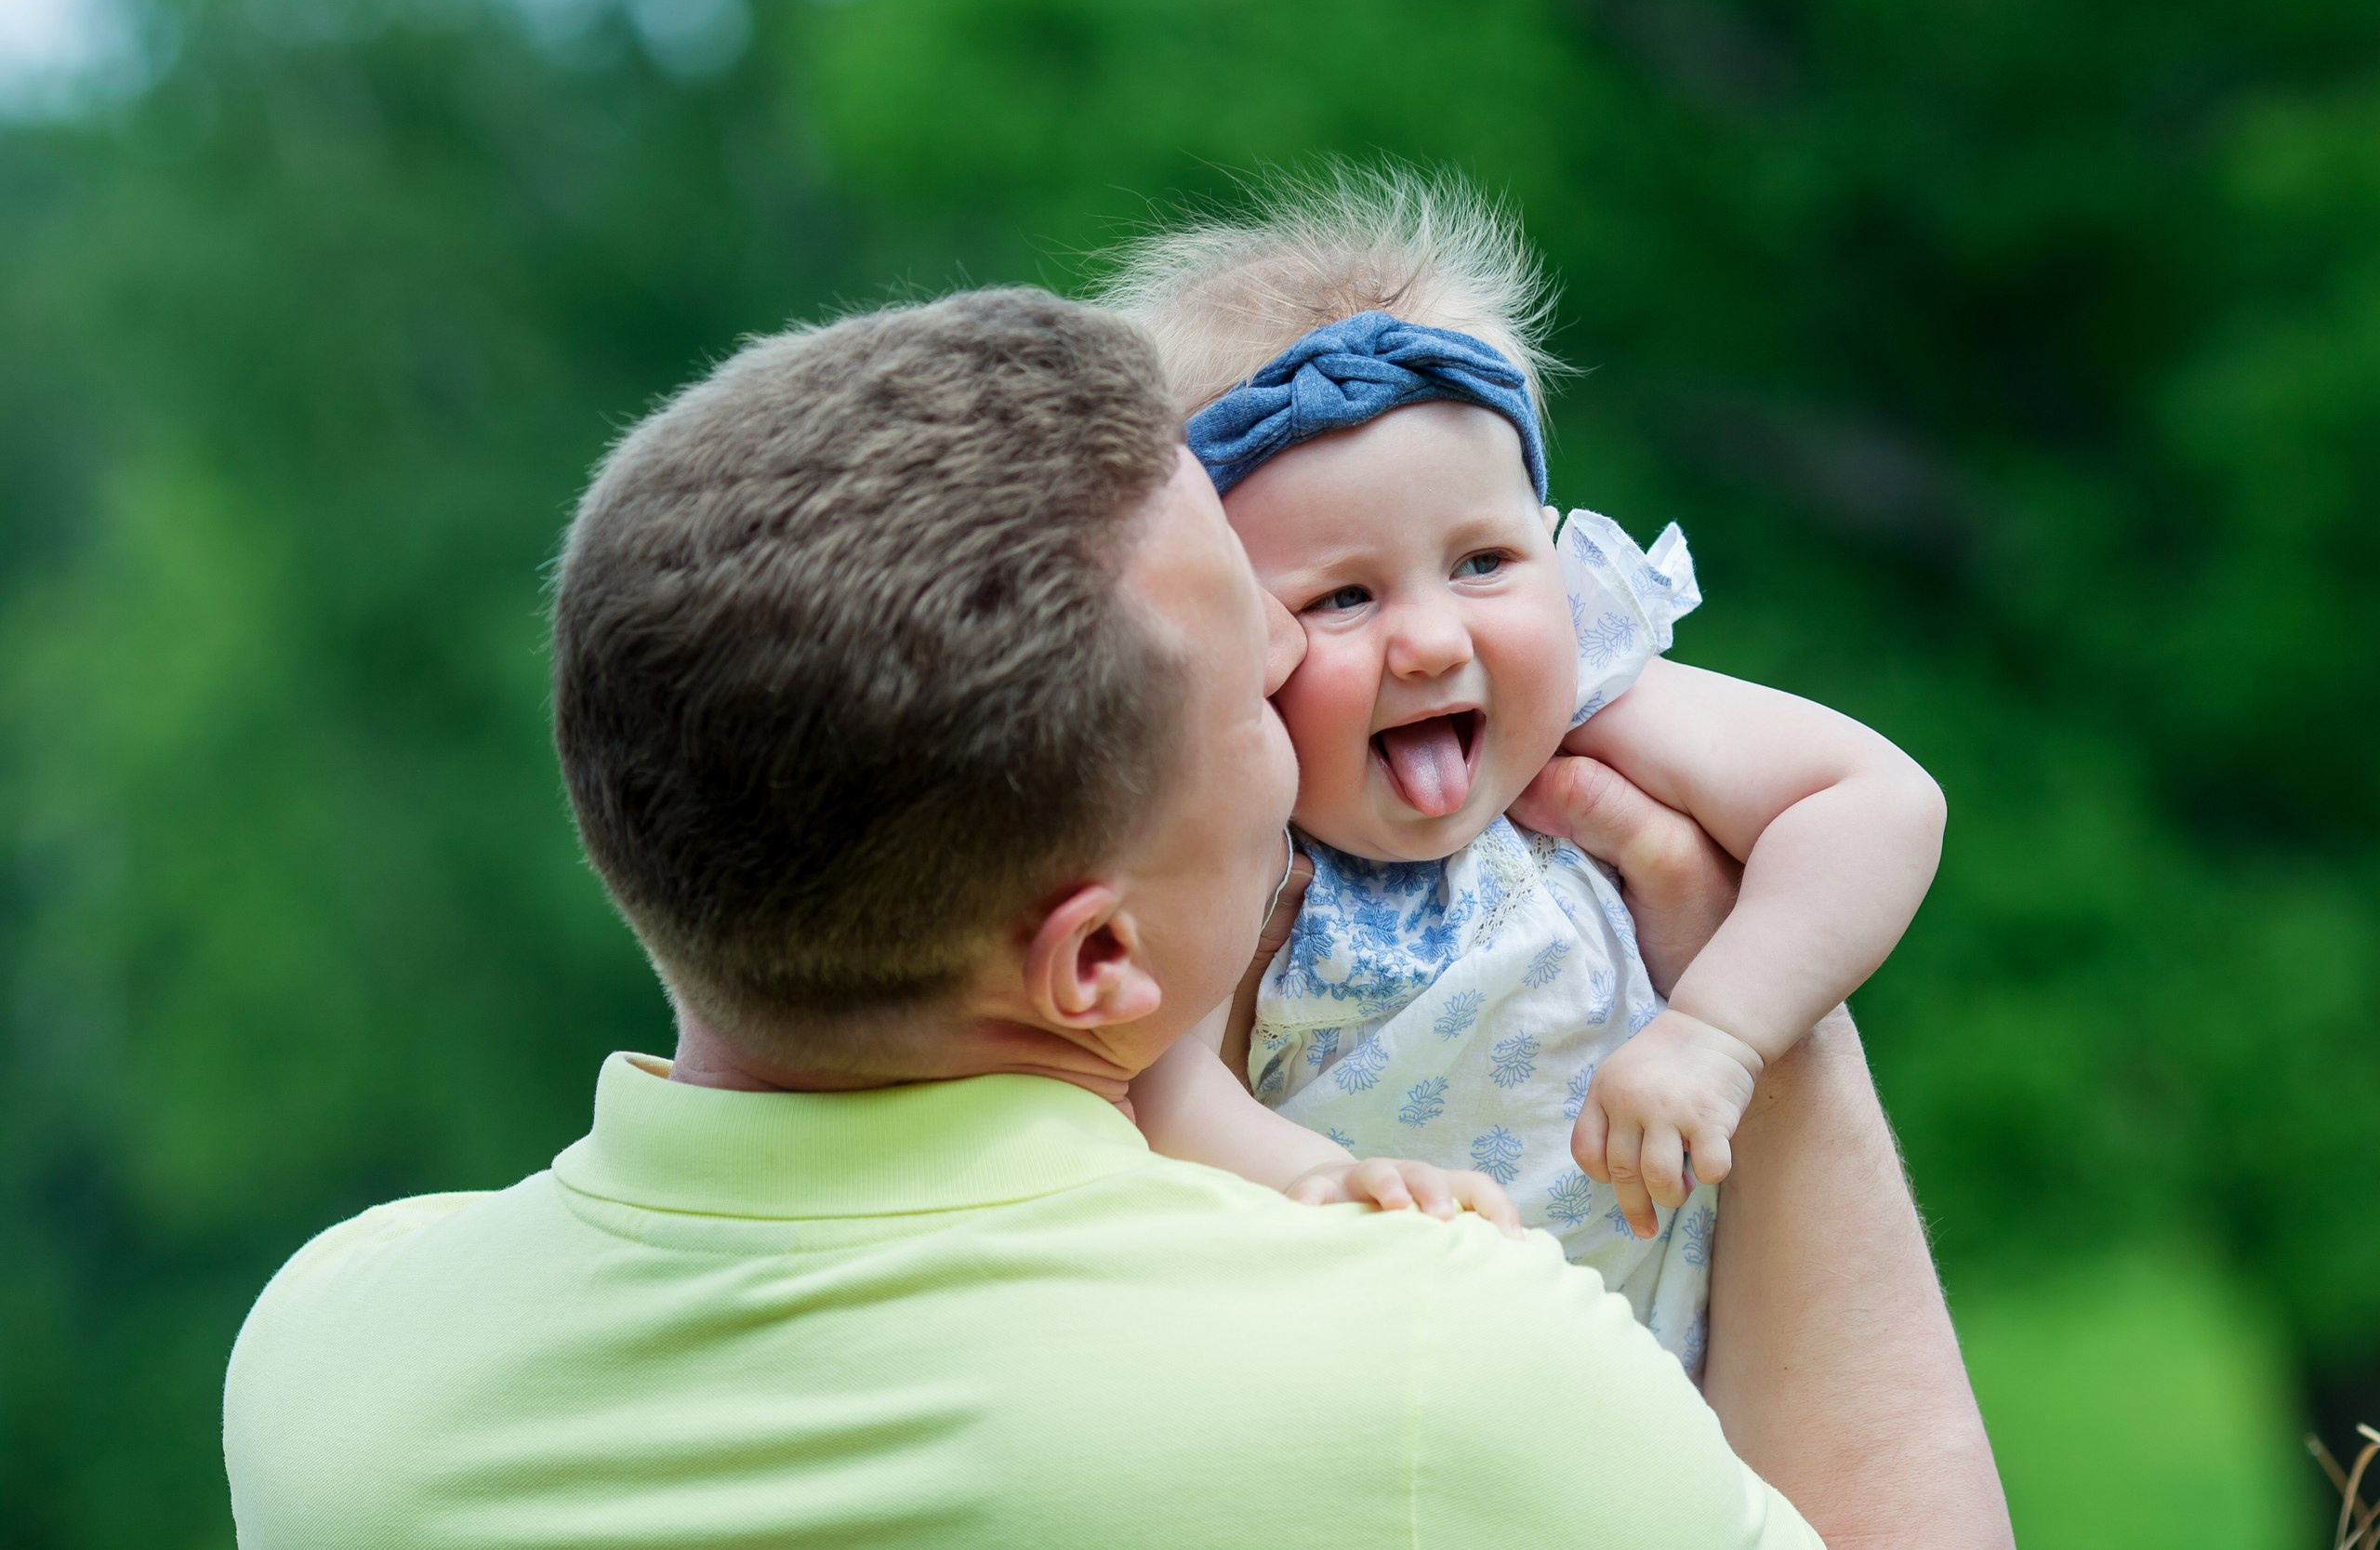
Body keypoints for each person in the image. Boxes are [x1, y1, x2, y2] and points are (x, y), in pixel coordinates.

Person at [222, 286, 2011, 1547]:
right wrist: (1735, 992)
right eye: (1264, 681)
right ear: (1097, 959)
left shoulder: (331, 1368)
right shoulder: (1439, 1375)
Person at [1104, 169, 1947, 1371]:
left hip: (1706, 1379)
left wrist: (1717, 1030)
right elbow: (1163, 1089)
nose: (1436, 638)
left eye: (1484, 560)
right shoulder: (1235, 857)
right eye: (1344, 594)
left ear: (1555, 551)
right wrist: (1323, 1184)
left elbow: (1874, 802)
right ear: (1238, 641)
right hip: (1419, 1375)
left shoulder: (1587, 710)